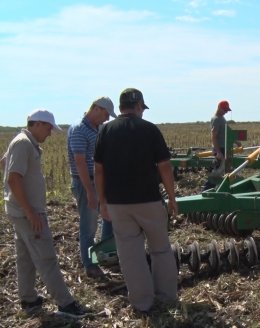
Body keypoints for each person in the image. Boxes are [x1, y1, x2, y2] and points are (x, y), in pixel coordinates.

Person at [94, 88, 178, 314]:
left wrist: (102, 202)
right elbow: (165, 167)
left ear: (121, 107)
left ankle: (142, 304)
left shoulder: (105, 131)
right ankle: (167, 298)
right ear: (139, 106)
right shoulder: (150, 130)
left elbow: (99, 170)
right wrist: (171, 198)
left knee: (131, 255)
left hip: (118, 205)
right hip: (149, 201)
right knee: (160, 249)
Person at [3, 109, 87, 318]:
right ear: (38, 124)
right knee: (46, 257)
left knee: (25, 256)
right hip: (27, 213)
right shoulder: (23, 143)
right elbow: (13, 178)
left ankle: (28, 298)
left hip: (19, 211)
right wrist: (30, 211)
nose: (50, 133)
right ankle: (66, 304)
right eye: (49, 128)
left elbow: (5, 164)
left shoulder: (22, 142)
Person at [67, 96, 116, 278]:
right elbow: (80, 163)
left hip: (99, 180)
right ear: (96, 109)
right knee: (89, 225)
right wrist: (90, 192)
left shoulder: (97, 129)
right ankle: (90, 265)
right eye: (105, 114)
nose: (107, 118)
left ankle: (106, 252)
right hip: (85, 181)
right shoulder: (79, 130)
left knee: (108, 216)